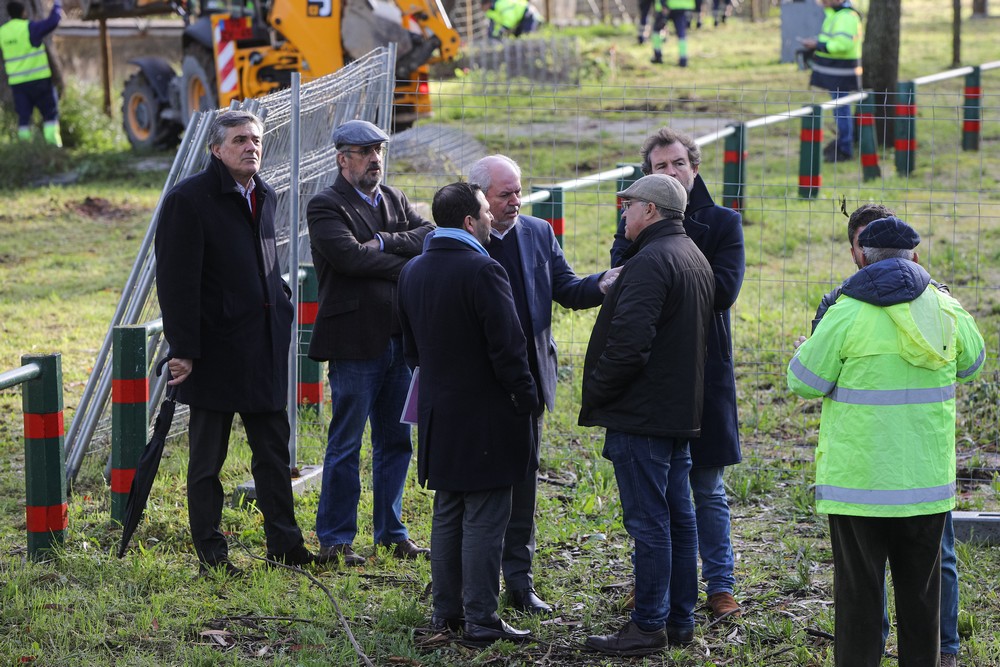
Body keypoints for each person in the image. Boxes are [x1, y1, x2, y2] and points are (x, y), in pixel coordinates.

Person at [788, 216, 985, 667]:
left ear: (861, 257)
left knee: (858, 599)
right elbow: (973, 362)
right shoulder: (945, 307)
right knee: (922, 600)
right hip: (924, 484)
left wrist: (805, 347)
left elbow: (802, 381)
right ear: (914, 256)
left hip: (859, 487)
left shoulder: (845, 311)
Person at [154, 110, 314, 575]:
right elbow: (176, 283)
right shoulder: (189, 200)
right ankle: (212, 555)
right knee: (208, 461)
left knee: (273, 452)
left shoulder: (264, 193)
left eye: (256, 140)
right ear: (216, 149)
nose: (251, 147)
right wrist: (184, 349)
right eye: (240, 140)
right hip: (215, 351)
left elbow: (264, 263)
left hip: (263, 346)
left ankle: (285, 547)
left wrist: (280, 303)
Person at [466, 154, 621, 614]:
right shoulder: (461, 240)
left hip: (529, 382)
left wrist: (603, 284)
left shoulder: (537, 232)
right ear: (480, 199)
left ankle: (519, 580)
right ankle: (467, 583)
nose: (516, 201)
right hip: (477, 385)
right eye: (505, 194)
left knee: (524, 484)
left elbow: (566, 288)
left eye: (519, 191)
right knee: (476, 490)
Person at [611, 127, 745, 621]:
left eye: (678, 163)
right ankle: (656, 584)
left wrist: (666, 270)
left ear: (695, 167)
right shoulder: (633, 220)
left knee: (706, 486)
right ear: (647, 175)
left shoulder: (723, 223)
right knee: (656, 490)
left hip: (705, 371)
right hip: (653, 374)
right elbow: (619, 280)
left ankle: (720, 584)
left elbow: (724, 291)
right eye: (660, 167)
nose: (671, 172)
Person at [397, 181, 539, 645]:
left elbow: (411, 350)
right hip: (487, 417)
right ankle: (481, 619)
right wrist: (525, 399)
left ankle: (447, 614)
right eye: (486, 212)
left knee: (448, 511)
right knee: (485, 517)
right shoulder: (484, 270)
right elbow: (509, 349)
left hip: (438, 413)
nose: (492, 219)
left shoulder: (412, 271)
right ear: (469, 221)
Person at [581, 174, 715, 656]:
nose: (624, 212)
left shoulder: (649, 262)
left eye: (630, 204)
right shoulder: (692, 256)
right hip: (676, 414)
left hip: (642, 416)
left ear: (651, 210)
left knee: (650, 524)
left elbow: (628, 346)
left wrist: (597, 390)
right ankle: (680, 620)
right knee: (678, 518)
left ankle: (648, 626)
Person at [307, 119, 434, 567]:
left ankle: (392, 533)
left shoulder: (394, 198)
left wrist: (382, 241)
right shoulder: (325, 205)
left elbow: (428, 235)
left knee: (397, 440)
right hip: (354, 341)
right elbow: (349, 259)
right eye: (365, 152)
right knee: (346, 443)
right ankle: (335, 540)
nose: (375, 159)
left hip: (401, 337)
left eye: (378, 150)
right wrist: (404, 262)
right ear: (343, 159)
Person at [798, 0, 862, 163]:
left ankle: (845, 148)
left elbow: (843, 45)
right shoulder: (835, 15)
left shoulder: (846, 17)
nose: (822, 2)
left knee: (841, 110)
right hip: (835, 71)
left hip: (841, 72)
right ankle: (843, 143)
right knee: (840, 109)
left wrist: (819, 45)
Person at [0, 0, 63, 146]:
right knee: (50, 114)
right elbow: (53, 22)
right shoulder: (29, 28)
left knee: (24, 118)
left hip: (18, 85)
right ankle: (53, 146)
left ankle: (25, 148)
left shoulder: (2, 32)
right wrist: (57, 5)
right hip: (40, 81)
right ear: (23, 13)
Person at [650, 0, 693, 67]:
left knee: (657, 30)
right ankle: (683, 59)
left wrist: (663, 4)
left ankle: (657, 55)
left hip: (666, 7)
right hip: (682, 6)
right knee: (681, 33)